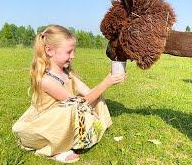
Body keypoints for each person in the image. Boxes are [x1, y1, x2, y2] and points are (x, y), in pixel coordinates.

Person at [12, 25, 126, 163]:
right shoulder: (45, 80)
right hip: (46, 125)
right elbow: (76, 105)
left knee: (96, 96)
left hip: (66, 117)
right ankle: (55, 150)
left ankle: (91, 128)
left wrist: (111, 80)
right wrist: (105, 83)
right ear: (49, 51)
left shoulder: (67, 73)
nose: (73, 56)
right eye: (69, 52)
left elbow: (89, 94)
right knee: (71, 107)